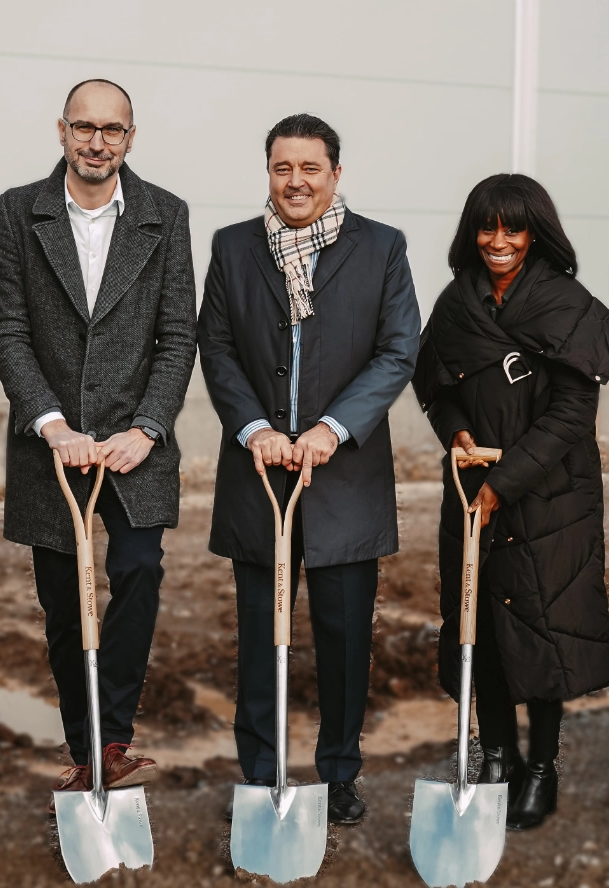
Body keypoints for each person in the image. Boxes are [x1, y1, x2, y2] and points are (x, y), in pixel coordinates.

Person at [198, 114, 420, 825]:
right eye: (282, 168)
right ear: (268, 171)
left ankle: (339, 771)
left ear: (335, 173)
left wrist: (333, 427)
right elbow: (217, 347)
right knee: (263, 635)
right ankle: (262, 774)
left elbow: (397, 350)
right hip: (259, 472)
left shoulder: (382, 248)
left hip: (343, 473)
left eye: (310, 168)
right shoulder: (234, 247)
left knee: (344, 636)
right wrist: (255, 428)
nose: (296, 182)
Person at [0, 79, 198, 800]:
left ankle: (112, 734)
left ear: (130, 137)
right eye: (84, 127)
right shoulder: (21, 211)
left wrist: (148, 427)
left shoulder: (166, 216)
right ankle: (85, 749)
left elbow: (178, 336)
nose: (97, 141)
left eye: (112, 129)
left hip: (134, 444)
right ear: (62, 131)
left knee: (138, 570)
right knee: (61, 599)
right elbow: (9, 327)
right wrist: (50, 423)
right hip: (53, 445)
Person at [412, 174, 609, 829]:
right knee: (481, 627)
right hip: (470, 484)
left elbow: (570, 414)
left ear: (536, 233)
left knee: (542, 628)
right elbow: (434, 387)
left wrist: (503, 484)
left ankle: (541, 766)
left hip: (547, 497)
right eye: (487, 227)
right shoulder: (456, 304)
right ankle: (498, 753)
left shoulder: (566, 303)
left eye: (512, 228)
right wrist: (458, 433)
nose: (498, 241)